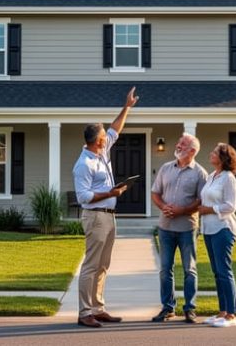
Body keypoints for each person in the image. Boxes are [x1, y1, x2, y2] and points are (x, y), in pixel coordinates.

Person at [73, 87, 139, 328]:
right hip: (95, 217)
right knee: (91, 264)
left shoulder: (102, 152)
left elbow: (115, 128)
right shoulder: (84, 164)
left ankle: (98, 308)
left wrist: (127, 107)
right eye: (104, 135)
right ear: (97, 140)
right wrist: (111, 193)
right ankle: (84, 312)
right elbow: (83, 196)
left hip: (109, 217)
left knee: (103, 264)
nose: (108, 136)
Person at [150, 133, 207, 323]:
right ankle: (168, 308)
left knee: (189, 269)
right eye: (179, 143)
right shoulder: (166, 168)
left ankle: (190, 308)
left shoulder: (200, 173)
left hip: (187, 228)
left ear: (192, 150)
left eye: (183, 144)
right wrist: (163, 206)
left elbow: (201, 201)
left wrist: (183, 210)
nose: (178, 145)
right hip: (165, 228)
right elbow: (155, 193)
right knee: (165, 269)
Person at [198, 143, 236, 328]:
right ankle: (222, 312)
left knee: (224, 271)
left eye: (215, 152)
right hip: (208, 229)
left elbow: (231, 205)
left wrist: (209, 209)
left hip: (223, 228)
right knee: (217, 272)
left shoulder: (228, 179)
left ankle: (231, 315)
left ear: (223, 158)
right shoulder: (211, 176)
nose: (211, 153)